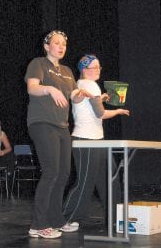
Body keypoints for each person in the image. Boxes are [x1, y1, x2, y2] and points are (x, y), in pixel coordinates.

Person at [25, 30, 92, 239]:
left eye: (63, 43)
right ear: (47, 46)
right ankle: (38, 224)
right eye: (56, 43)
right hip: (42, 123)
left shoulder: (66, 71)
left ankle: (56, 219)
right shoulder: (38, 63)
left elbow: (73, 96)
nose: (61, 46)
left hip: (62, 126)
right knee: (51, 171)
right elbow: (32, 88)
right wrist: (49, 90)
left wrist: (81, 95)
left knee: (63, 173)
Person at [63, 54, 130, 228]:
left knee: (110, 179)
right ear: (85, 70)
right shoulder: (90, 85)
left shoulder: (85, 85)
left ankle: (115, 218)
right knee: (86, 182)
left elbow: (91, 105)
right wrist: (118, 112)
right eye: (95, 67)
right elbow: (100, 114)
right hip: (86, 141)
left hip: (96, 140)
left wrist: (104, 98)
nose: (99, 70)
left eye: (99, 66)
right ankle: (67, 219)